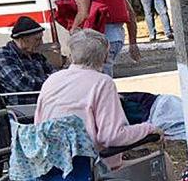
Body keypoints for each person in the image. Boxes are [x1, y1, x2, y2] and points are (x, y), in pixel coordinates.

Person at [34, 29, 157, 169]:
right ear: (104, 57)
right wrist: (149, 129)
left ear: (72, 54)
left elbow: (38, 124)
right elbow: (112, 136)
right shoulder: (102, 83)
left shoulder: (52, 79)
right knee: (161, 161)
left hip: (51, 165)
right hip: (92, 168)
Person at [0, 16, 56, 105]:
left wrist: (54, 80)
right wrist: (51, 82)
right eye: (37, 39)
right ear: (22, 40)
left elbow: (54, 72)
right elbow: (24, 84)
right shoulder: (3, 55)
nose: (41, 43)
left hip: (44, 102)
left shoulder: (35, 54)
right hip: (22, 108)